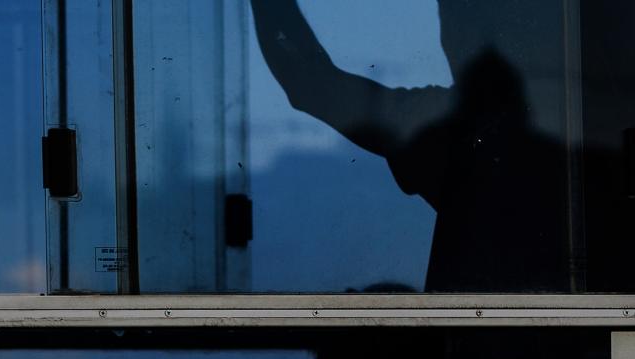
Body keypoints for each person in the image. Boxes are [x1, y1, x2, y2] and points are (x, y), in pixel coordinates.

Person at [248, 0, 586, 292]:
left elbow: (309, 80)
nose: (449, 38)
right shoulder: (585, 141)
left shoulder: (452, 128)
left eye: (456, 20)